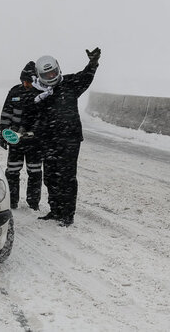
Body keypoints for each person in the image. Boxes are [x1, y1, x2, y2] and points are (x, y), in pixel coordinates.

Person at [34, 48, 101, 226]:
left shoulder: (70, 83)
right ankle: (55, 210)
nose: (51, 76)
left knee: (67, 177)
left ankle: (67, 214)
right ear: (40, 75)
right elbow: (31, 116)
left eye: (53, 72)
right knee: (50, 177)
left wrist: (93, 63)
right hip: (48, 141)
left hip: (70, 140)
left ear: (59, 69)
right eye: (47, 74)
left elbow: (86, 77)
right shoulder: (38, 94)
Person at [0, 61, 43, 210]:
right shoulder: (14, 92)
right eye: (24, 81)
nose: (26, 84)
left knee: (35, 172)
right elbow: (6, 114)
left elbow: (44, 118)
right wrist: (3, 133)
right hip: (15, 141)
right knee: (12, 171)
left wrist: (36, 134)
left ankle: (33, 203)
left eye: (29, 81)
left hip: (34, 143)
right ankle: (12, 201)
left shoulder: (41, 94)